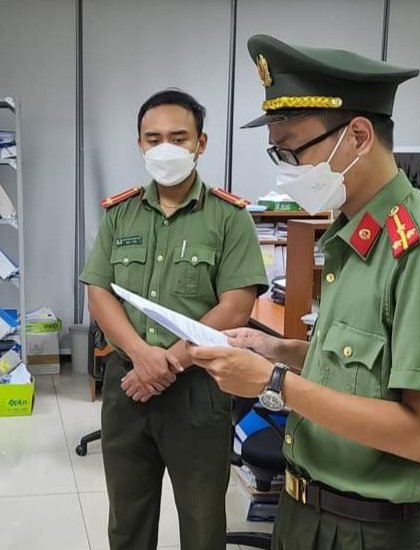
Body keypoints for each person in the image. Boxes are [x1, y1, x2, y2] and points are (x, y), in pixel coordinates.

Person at [189, 34, 420, 550]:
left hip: (368, 530)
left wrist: (275, 382)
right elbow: (364, 372)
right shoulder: (354, 237)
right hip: (305, 513)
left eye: (293, 150)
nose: (287, 169)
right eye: (277, 153)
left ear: (358, 136)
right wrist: (280, 350)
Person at [79, 89, 268, 550]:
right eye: (154, 138)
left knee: (203, 524)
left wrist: (170, 362)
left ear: (201, 143)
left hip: (198, 389)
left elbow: (237, 305)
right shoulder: (120, 214)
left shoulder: (229, 217)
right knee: (127, 520)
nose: (165, 148)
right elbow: (99, 292)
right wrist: (141, 355)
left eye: (178, 138)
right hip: (127, 386)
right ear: (140, 145)